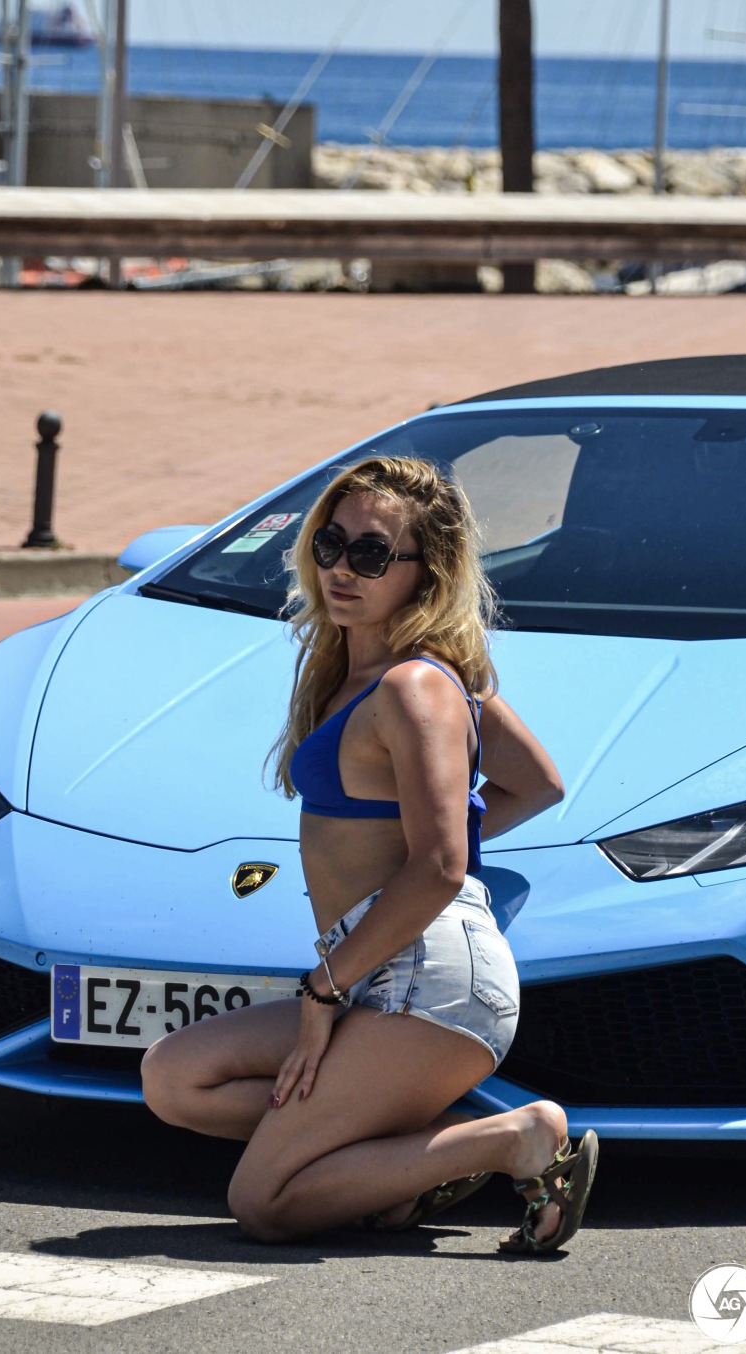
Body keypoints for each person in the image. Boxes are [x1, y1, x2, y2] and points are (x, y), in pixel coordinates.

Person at [140, 454, 597, 1253]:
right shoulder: (372, 674)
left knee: (265, 1203)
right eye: (330, 543)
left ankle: (517, 1140)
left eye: (373, 554)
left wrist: (324, 990)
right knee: (176, 1079)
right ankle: (405, 1162)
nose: (342, 569)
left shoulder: (415, 688)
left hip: (427, 980)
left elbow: (441, 866)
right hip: (382, 969)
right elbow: (536, 784)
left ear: (426, 573)